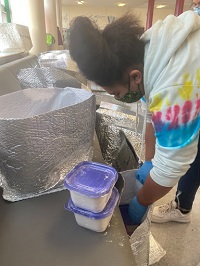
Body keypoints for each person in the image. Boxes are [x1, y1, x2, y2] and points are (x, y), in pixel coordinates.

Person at [69, 10, 200, 225]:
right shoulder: (148, 53)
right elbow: (151, 113)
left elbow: (171, 169)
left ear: (135, 76)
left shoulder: (172, 86)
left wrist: (140, 202)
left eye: (117, 94)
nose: (121, 98)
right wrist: (149, 162)